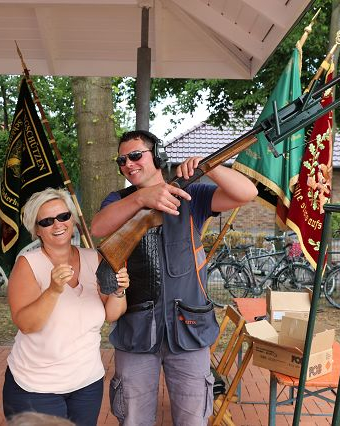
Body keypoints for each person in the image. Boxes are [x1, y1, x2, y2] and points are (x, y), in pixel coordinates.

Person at [90, 130, 258, 425]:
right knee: (133, 419)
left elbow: (247, 193)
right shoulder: (119, 200)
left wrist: (210, 167)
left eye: (135, 156)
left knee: (193, 419)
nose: (128, 164)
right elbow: (99, 227)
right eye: (122, 160)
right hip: (136, 332)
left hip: (189, 330)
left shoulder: (190, 195)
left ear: (157, 155)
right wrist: (142, 198)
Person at [3, 188, 130, 426]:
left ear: (72, 219)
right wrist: (53, 290)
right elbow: (27, 324)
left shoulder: (94, 258)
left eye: (63, 216)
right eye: (47, 221)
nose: (57, 224)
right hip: (36, 386)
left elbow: (112, 314)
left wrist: (119, 291)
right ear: (36, 229)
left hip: (87, 384)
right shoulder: (28, 264)